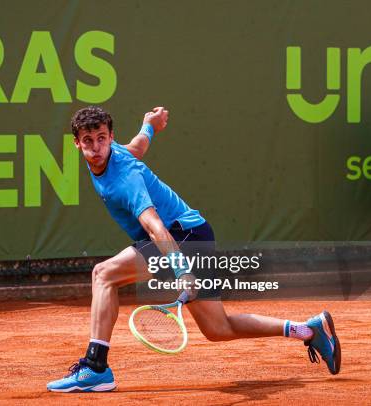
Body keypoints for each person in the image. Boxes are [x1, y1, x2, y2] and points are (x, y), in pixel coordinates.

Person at [46, 106, 341, 392]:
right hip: (194, 232)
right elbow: (137, 146)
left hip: (181, 236)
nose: (96, 147)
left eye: (101, 138)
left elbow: (155, 227)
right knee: (218, 328)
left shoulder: (125, 179)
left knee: (103, 274)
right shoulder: (114, 153)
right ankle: (308, 330)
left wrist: (181, 270)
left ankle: (96, 367)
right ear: (77, 143)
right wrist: (150, 125)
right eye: (88, 140)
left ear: (110, 137)